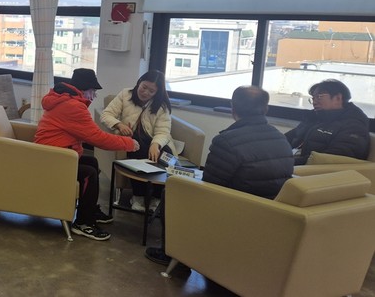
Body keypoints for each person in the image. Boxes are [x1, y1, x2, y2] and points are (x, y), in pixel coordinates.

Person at [145, 85, 294, 265]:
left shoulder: (227, 141)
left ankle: (172, 253)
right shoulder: (280, 137)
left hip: (233, 210)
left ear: (233, 108)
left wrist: (182, 181)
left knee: (172, 190)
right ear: (265, 109)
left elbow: (210, 186)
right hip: (271, 212)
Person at [35, 68, 140, 242]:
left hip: (53, 154)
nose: (95, 95)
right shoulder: (73, 106)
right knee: (88, 174)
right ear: (84, 89)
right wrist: (128, 143)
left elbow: (88, 134)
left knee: (91, 162)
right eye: (93, 91)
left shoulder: (65, 99)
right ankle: (83, 223)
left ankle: (89, 210)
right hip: (53, 158)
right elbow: (97, 138)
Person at [100, 70, 175, 212]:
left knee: (167, 158)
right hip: (132, 137)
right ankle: (138, 196)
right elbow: (106, 115)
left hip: (153, 140)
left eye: (151, 91)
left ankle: (157, 197)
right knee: (137, 154)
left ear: (157, 92)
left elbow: (163, 131)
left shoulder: (162, 105)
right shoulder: (126, 94)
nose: (146, 92)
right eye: (144, 87)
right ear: (139, 82)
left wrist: (156, 144)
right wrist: (119, 125)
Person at [285, 79, 370, 165]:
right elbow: (286, 138)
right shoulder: (314, 118)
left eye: (319, 97)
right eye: (313, 98)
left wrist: (286, 163)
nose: (314, 102)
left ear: (338, 98)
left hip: (312, 170)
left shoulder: (354, 125)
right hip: (293, 163)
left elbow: (334, 158)